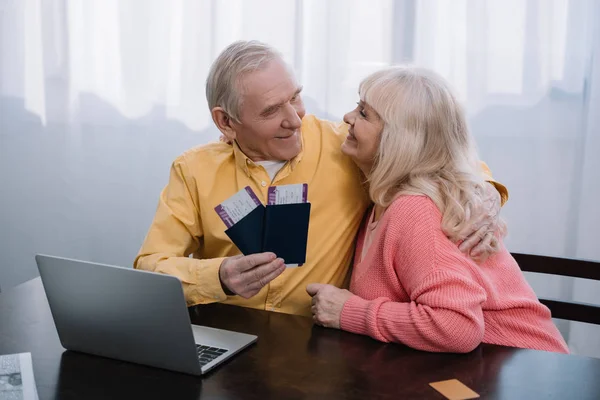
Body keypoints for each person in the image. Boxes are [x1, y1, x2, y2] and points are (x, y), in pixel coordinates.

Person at [134, 41, 507, 317]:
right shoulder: (194, 169)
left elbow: (438, 157)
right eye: (270, 111)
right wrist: (218, 276)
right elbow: (150, 265)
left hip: (316, 341)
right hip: (228, 335)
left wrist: (485, 190)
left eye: (294, 98)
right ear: (226, 122)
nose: (294, 119)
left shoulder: (346, 148)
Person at [306, 67, 569, 353]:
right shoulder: (383, 200)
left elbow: (456, 327)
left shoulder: (413, 209)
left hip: (525, 369)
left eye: (364, 113)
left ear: (399, 140)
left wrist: (349, 312)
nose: (348, 117)